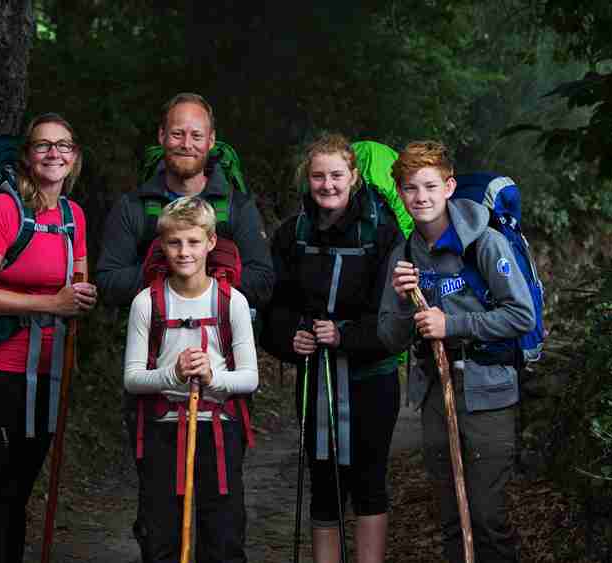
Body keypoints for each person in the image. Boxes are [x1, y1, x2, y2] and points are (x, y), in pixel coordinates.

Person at [377, 141, 535, 563]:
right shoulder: (404, 255)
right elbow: (390, 340)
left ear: (449, 187)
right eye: (410, 188)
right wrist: (401, 301)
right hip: (435, 394)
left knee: (485, 517)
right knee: (451, 517)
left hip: (487, 390)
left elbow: (522, 315)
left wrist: (454, 325)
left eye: (429, 186)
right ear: (401, 193)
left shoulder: (484, 243)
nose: (420, 197)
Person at [0, 113, 97, 563]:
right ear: (27, 155)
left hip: (47, 372)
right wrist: (49, 305)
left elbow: (74, 289)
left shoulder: (74, 216)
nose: (54, 153)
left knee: (18, 489)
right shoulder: (3, 208)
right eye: (43, 145)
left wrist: (80, 297)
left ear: (74, 157)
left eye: (63, 145)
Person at [261, 134, 404, 562]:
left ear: (354, 177)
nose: (327, 185)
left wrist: (345, 335)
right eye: (319, 176)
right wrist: (293, 337)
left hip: (372, 378)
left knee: (368, 480)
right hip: (316, 376)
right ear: (308, 178)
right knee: (323, 482)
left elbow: (392, 317)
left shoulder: (382, 232)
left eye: (336, 175)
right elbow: (273, 306)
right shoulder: (292, 233)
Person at [124, 196, 258, 563]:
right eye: (174, 242)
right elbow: (133, 378)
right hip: (162, 430)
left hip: (219, 428)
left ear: (211, 242)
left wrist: (212, 377)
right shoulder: (146, 303)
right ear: (162, 245)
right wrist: (174, 374)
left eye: (194, 242)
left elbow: (249, 378)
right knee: (160, 537)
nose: (184, 252)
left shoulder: (232, 302)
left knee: (223, 536)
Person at [95, 92, 274, 309]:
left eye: (197, 136)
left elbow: (263, 283)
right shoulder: (132, 206)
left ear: (211, 140)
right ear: (162, 136)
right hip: (152, 335)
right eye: (177, 134)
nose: (187, 144)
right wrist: (164, 269)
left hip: (218, 337)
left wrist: (208, 274)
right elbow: (107, 284)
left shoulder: (237, 206)